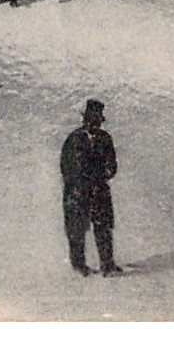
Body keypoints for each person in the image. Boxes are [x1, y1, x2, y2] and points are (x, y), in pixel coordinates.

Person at [61, 99, 121, 277]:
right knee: (77, 229)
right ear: (86, 119)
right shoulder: (73, 139)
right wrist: (82, 182)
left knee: (103, 227)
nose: (96, 123)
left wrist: (105, 173)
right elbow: (67, 167)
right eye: (93, 119)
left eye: (98, 119)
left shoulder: (105, 138)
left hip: (99, 191)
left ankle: (107, 263)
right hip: (78, 193)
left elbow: (112, 165)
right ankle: (79, 265)